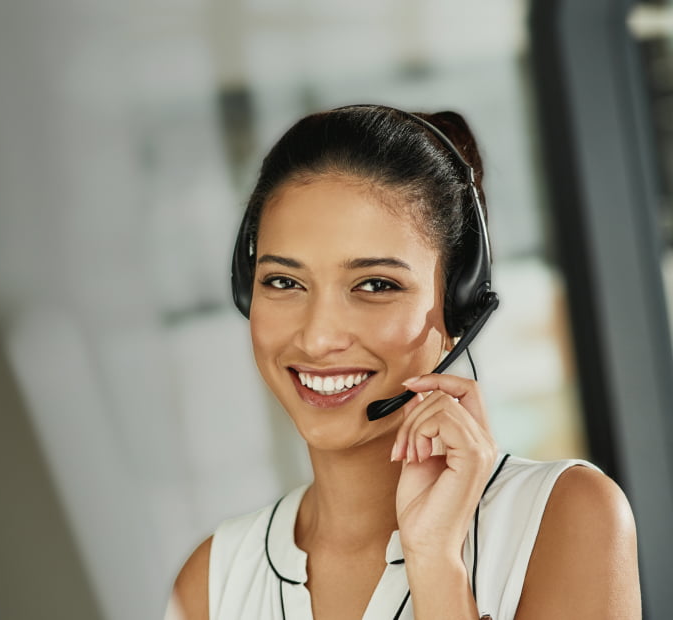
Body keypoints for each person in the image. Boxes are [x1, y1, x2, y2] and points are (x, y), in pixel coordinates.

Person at [170, 105, 640, 619]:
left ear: (459, 303)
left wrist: (435, 561)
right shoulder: (214, 582)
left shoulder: (565, 518)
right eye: (284, 281)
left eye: (375, 285)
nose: (320, 336)